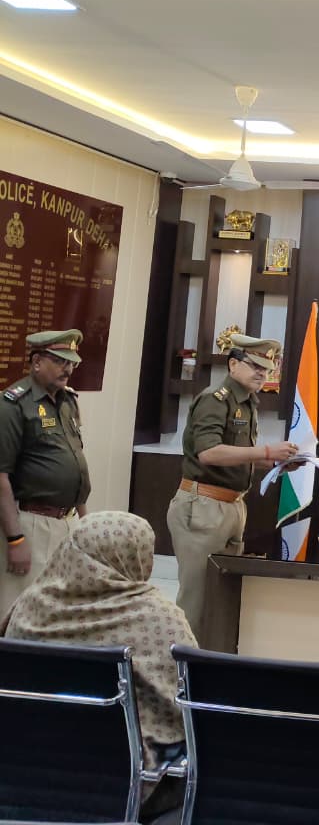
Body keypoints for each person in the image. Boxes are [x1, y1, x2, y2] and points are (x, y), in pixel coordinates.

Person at [2, 511, 195, 819]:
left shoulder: (28, 607)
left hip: (26, 774)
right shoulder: (160, 619)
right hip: (125, 784)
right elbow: (187, 706)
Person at [166, 335, 298, 640]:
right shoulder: (216, 399)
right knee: (197, 601)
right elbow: (209, 453)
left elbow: (237, 456)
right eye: (255, 366)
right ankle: (181, 665)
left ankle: (213, 661)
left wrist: (276, 462)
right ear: (233, 364)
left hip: (232, 506)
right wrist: (267, 451)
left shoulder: (247, 402)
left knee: (224, 597)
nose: (262, 373)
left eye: (267, 368)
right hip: (203, 508)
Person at [0, 329, 92, 616]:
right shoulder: (13, 405)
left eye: (71, 362)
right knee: (21, 613)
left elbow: (76, 465)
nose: (68, 369)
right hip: (31, 524)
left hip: (68, 522)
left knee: (60, 612)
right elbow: (1, 477)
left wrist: (86, 525)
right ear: (37, 362)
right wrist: (15, 539)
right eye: (60, 361)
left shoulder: (68, 402)